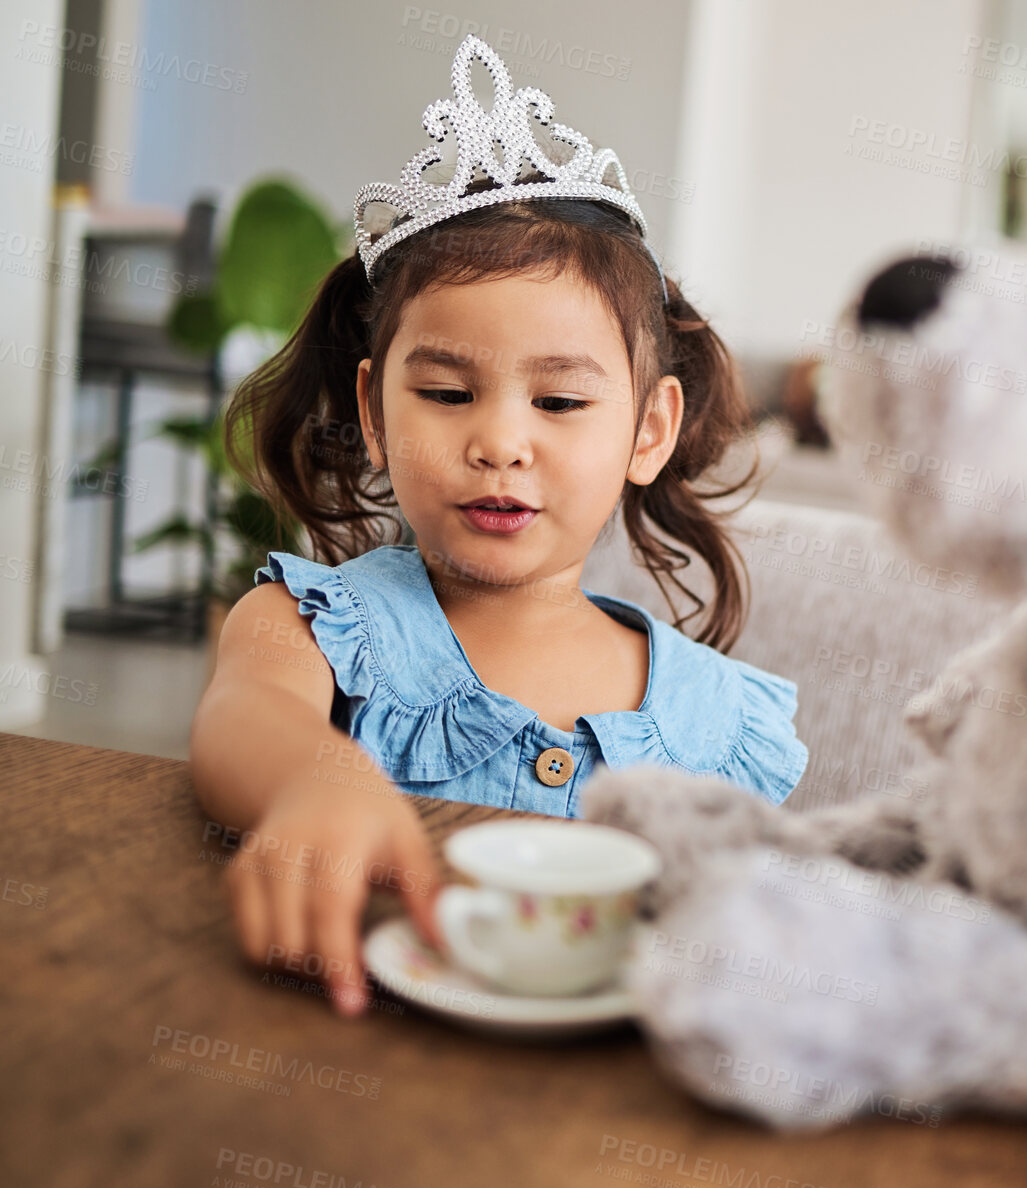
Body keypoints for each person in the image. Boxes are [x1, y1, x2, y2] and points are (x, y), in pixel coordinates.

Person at [189, 35, 807, 1015]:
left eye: (559, 404)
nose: (500, 443)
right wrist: (320, 780)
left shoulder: (724, 725)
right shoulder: (308, 626)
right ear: (375, 415)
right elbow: (241, 719)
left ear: (648, 432)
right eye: (445, 391)